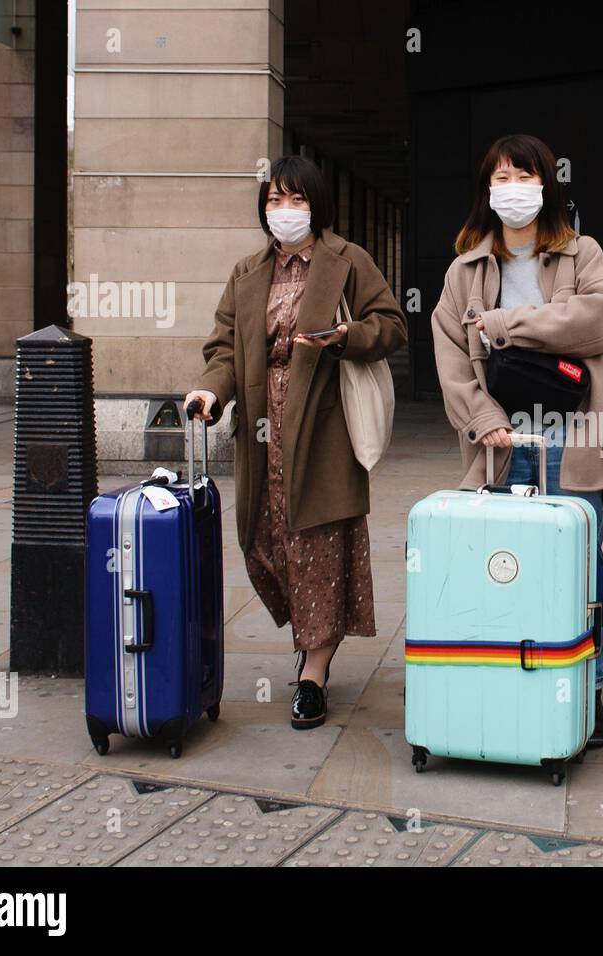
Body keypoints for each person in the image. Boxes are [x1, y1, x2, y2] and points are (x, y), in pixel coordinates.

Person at [430, 133, 603, 749]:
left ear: (546, 185)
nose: (512, 188)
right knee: (509, 566)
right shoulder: (464, 270)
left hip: (578, 437)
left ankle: (593, 683)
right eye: (500, 178)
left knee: (583, 565)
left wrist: (504, 326)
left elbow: (596, 322)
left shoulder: (581, 254)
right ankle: (520, 674)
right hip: (504, 442)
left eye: (524, 176)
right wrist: (483, 421)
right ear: (486, 191)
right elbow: (451, 358)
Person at [185, 155, 407, 731]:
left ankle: (313, 672)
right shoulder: (247, 272)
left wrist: (345, 336)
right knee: (265, 546)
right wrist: (211, 393)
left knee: (319, 549)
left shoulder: (347, 260)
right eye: (274, 200)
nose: (285, 211)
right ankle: (310, 636)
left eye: (297, 200)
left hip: (323, 427)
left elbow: (391, 325)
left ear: (318, 205)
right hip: (263, 432)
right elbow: (225, 349)